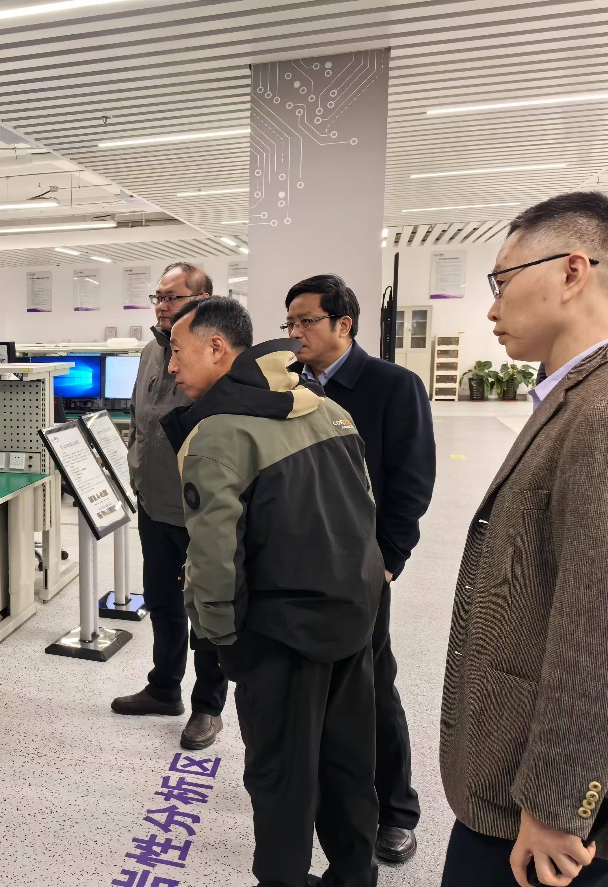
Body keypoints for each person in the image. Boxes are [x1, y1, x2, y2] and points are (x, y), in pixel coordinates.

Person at [161, 297, 384, 887]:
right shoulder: (328, 409)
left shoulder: (216, 434)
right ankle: (355, 875)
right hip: (352, 618)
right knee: (348, 766)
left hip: (279, 633)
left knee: (280, 779)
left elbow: (213, 556)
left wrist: (219, 639)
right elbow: (364, 508)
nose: (171, 367)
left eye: (177, 352)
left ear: (217, 348)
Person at [440, 192, 608, 887]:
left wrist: (556, 805)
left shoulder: (599, 414)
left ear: (571, 271)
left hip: (536, 814)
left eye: (502, 281)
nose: (491, 308)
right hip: (514, 778)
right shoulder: (571, 397)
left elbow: (596, 630)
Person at [283, 274, 435, 864]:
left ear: (344, 324)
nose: (295, 333)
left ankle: (396, 810)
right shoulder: (286, 386)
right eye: (289, 323)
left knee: (372, 685)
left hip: (362, 570)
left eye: (306, 321)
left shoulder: (393, 386)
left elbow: (413, 480)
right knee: (307, 687)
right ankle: (323, 794)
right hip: (299, 566)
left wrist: (389, 559)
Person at [111, 262, 229, 752]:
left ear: (201, 301)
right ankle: (164, 688)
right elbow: (139, 420)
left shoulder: (215, 356)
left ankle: (208, 706)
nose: (161, 305)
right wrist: (137, 476)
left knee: (206, 610)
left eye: (172, 297)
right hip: (154, 503)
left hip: (202, 512)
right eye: (158, 296)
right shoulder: (149, 352)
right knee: (161, 601)